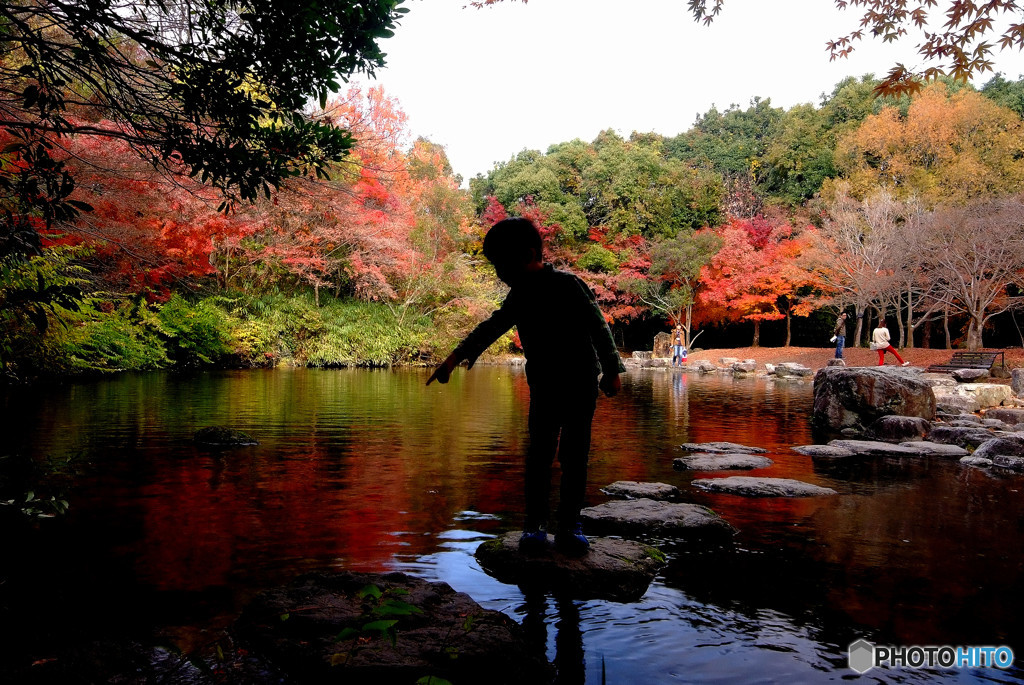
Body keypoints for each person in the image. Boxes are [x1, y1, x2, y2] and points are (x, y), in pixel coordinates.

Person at [427, 217, 623, 556]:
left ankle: (570, 526)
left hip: (580, 383)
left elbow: (598, 327)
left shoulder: (569, 285)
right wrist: (455, 357)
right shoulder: (520, 296)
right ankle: (535, 525)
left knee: (575, 456)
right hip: (544, 386)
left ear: (529, 254)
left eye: (503, 264)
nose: (500, 274)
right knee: (539, 455)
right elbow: (492, 326)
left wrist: (612, 370)